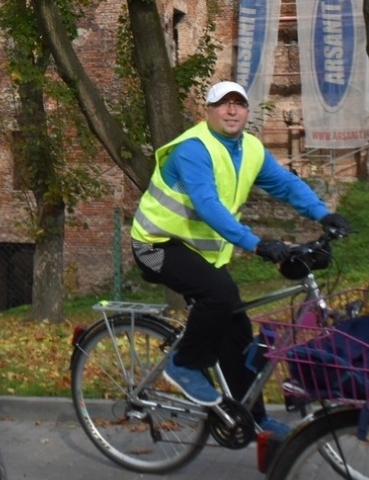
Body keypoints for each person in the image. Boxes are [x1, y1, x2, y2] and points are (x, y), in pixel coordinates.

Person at [130, 80, 347, 438]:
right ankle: (183, 364)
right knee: (218, 296)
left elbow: (286, 185)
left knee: (238, 332)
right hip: (153, 247)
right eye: (223, 104)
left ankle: (252, 417)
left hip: (199, 253)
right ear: (209, 111)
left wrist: (323, 215)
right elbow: (209, 206)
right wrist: (257, 243)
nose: (231, 110)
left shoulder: (250, 150)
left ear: (247, 111)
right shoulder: (193, 148)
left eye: (239, 104)